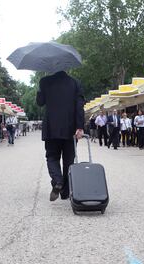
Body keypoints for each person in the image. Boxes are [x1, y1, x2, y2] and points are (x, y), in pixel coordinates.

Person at [36, 71, 85, 202]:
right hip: (70, 128)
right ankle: (65, 192)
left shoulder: (44, 81)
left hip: (51, 127)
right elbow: (80, 106)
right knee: (69, 160)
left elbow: (40, 102)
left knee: (52, 157)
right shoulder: (75, 83)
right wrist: (80, 127)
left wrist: (40, 89)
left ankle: (58, 181)